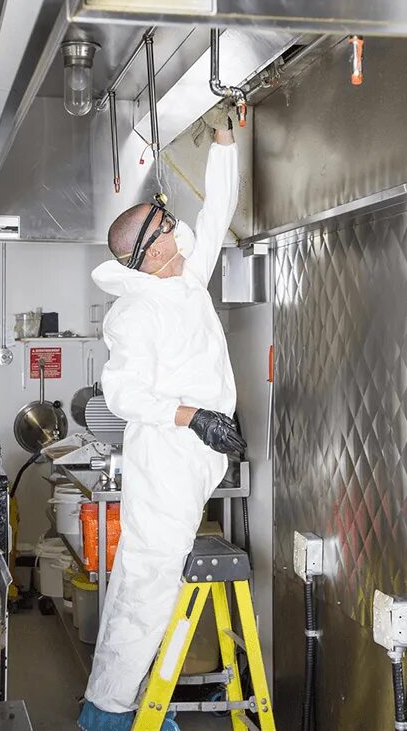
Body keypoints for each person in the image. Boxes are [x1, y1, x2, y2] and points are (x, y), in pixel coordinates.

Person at [78, 112, 248, 731]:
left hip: (196, 454)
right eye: (167, 224)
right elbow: (122, 394)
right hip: (167, 456)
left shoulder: (183, 279)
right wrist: (193, 416)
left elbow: (217, 213)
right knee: (146, 583)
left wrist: (225, 141)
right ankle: (108, 714)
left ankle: (128, 701)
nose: (179, 226)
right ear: (152, 251)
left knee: (154, 581)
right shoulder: (135, 313)